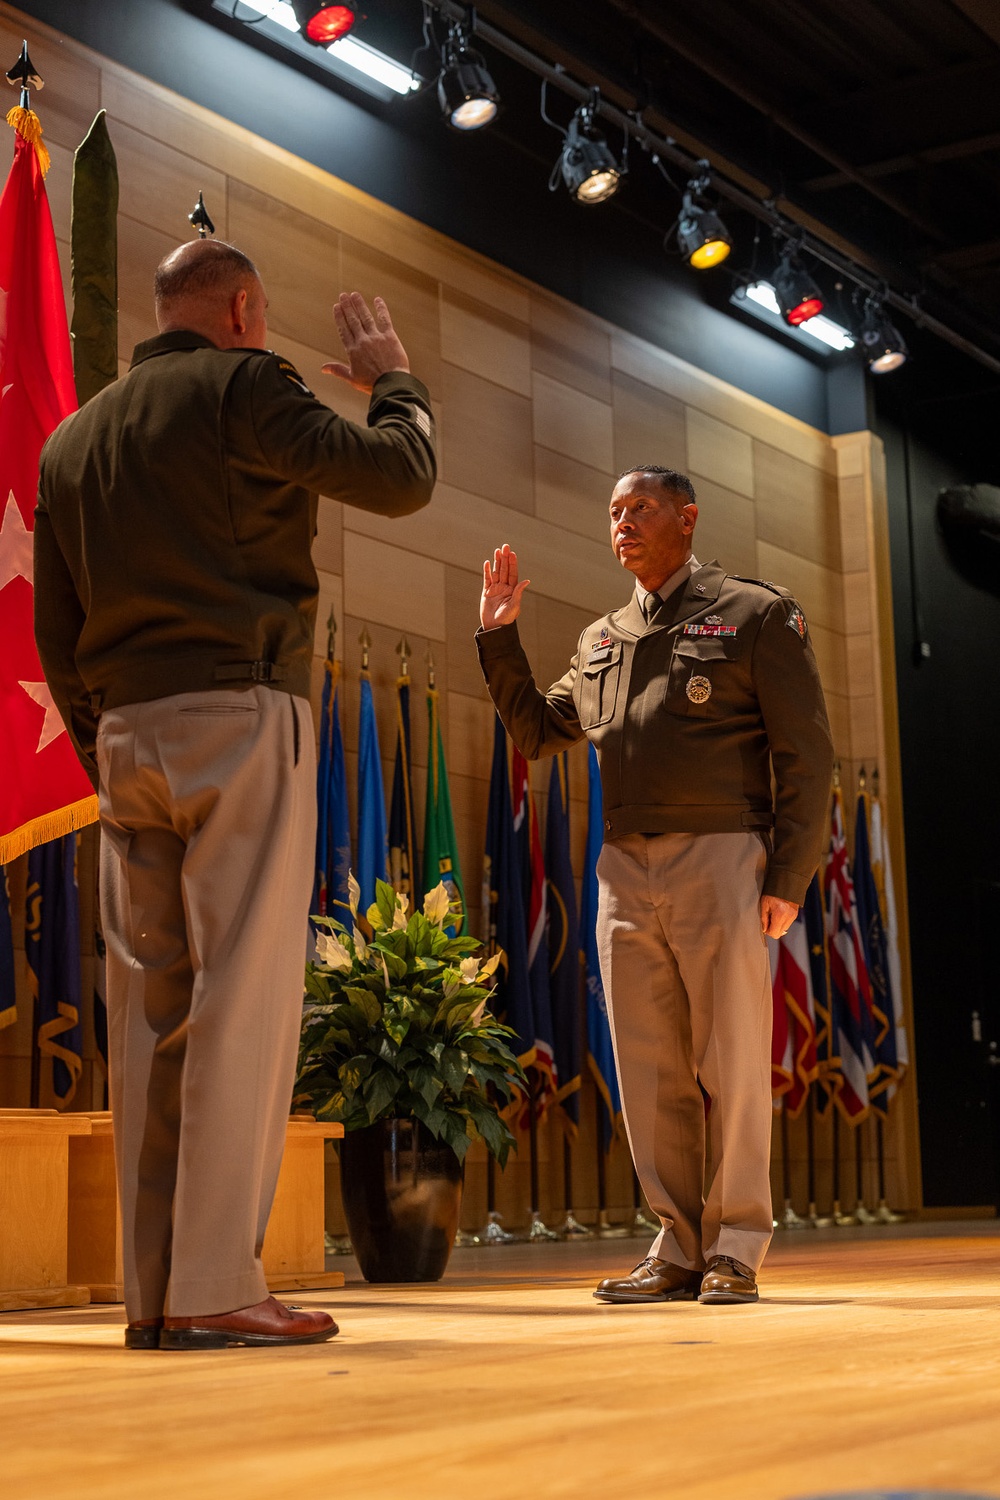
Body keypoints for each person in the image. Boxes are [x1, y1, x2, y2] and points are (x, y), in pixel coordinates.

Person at [34, 239, 437, 1349]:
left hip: (123, 734)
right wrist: (397, 382)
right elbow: (399, 479)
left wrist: (101, 734)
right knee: (243, 1007)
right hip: (239, 713)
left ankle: (155, 1295)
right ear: (245, 307)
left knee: (148, 1018)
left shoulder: (72, 439)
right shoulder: (247, 383)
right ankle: (217, 1285)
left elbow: (51, 628)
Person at [477, 466, 833, 1304]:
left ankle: (737, 1243)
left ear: (687, 517)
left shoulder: (755, 613)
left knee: (733, 1059)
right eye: (613, 511)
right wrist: (499, 637)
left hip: (723, 856)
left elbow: (806, 757)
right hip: (623, 868)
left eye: (640, 509)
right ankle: (677, 1244)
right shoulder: (604, 639)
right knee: (646, 1064)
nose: (623, 522)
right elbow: (535, 729)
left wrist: (788, 873)